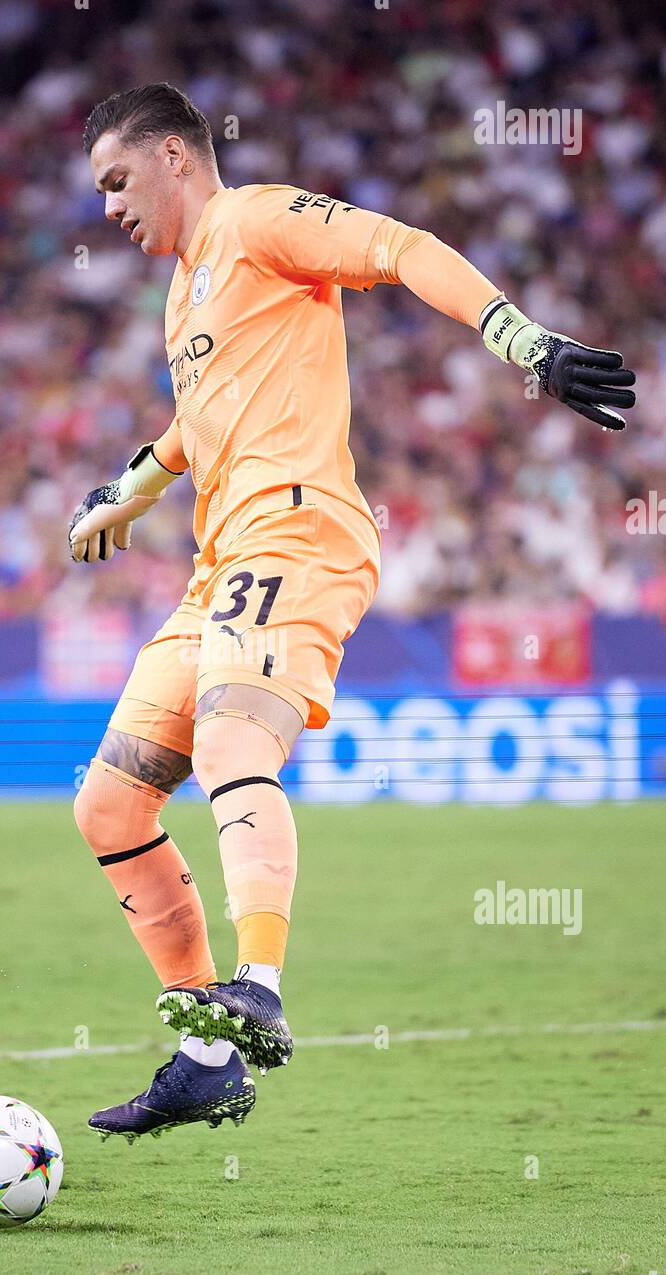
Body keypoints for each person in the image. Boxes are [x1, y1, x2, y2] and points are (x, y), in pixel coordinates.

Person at [70, 83, 635, 1142]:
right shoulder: (183, 290)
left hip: (299, 531)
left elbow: (396, 244)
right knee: (108, 807)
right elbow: (194, 424)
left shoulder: (254, 219)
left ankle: (259, 986)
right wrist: (126, 491)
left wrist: (518, 341)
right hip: (218, 561)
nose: (107, 208)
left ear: (176, 158)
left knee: (236, 731)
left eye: (115, 180)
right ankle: (203, 1055)